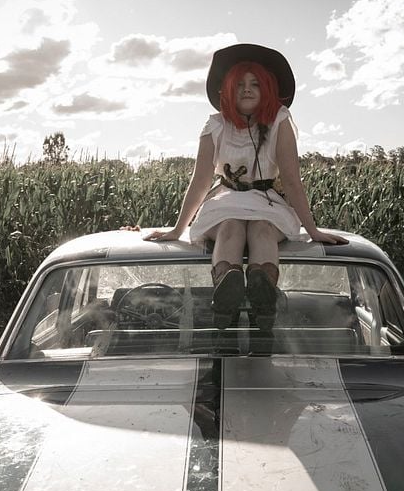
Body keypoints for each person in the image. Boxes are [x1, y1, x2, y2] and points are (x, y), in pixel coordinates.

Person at [144, 43, 346, 330]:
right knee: (230, 227)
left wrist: (312, 230)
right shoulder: (215, 125)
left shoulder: (279, 121)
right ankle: (227, 292)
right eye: (239, 84)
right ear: (227, 89)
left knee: (262, 229)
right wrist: (178, 229)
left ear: (266, 88)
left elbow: (291, 178)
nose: (247, 89)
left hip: (267, 202)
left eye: (254, 83)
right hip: (225, 199)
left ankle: (262, 299)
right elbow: (201, 179)